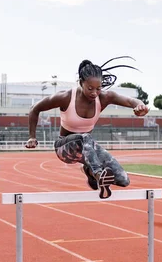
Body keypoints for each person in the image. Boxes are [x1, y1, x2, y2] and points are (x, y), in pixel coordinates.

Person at [25, 57, 149, 199]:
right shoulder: (65, 97)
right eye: (90, 88)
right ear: (81, 82)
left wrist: (140, 106)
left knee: (123, 179)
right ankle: (98, 175)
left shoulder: (104, 97)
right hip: (64, 148)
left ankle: (90, 172)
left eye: (98, 88)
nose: (94, 93)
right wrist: (32, 137)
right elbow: (35, 109)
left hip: (87, 150)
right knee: (85, 137)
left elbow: (131, 101)